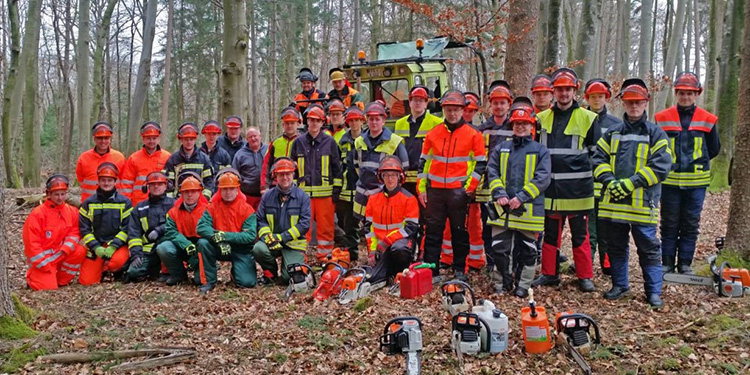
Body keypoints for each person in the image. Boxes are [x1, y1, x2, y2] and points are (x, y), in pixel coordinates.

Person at [593, 78, 672, 308]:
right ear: (623, 104)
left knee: (648, 248)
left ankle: (653, 291)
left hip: (642, 203)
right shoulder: (612, 133)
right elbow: (598, 158)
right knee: (615, 245)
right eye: (629, 102)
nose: (634, 106)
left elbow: (661, 166)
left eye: (638, 102)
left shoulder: (656, 134)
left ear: (646, 102)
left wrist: (631, 183)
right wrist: (609, 180)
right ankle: (620, 284)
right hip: (614, 203)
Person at [532, 68, 599, 292]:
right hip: (550, 188)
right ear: (553, 92)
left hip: (578, 190)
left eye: (567, 89)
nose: (563, 93)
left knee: (580, 235)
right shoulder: (540, 119)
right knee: (550, 234)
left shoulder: (589, 118)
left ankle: (585, 276)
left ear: (575, 91)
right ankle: (549, 274)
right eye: (559, 89)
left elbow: (596, 155)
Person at [655, 71, 720, 275]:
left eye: (689, 93)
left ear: (696, 94)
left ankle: (685, 264)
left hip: (696, 182)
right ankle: (666, 262)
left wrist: (697, 162)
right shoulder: (662, 118)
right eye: (682, 93)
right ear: (676, 93)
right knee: (669, 222)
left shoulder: (708, 119)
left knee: (690, 223)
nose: (685, 97)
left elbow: (714, 148)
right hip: (670, 182)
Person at [418, 90, 486, 281]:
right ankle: (431, 270)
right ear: (444, 110)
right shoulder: (433, 134)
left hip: (459, 192)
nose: (452, 114)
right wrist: (421, 189)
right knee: (432, 233)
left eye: (456, 110)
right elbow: (424, 163)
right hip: (436, 193)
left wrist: (470, 186)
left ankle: (459, 269)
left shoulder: (474, 135)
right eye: (449, 110)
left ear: (463, 110)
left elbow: (480, 163)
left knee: (459, 233)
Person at [487, 97, 551, 297]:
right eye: (517, 123)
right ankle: (502, 283)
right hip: (502, 209)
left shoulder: (540, 150)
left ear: (531, 126)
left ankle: (523, 285)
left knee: (528, 251)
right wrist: (500, 193)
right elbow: (492, 171)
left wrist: (521, 197)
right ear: (512, 125)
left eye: (524, 123)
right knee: (499, 249)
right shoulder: (501, 148)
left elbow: (543, 178)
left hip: (529, 209)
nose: (521, 127)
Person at [290, 104, 343, 262]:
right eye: (311, 120)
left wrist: (336, 191)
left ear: (322, 122)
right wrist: (293, 191)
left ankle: (324, 258)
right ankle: (300, 258)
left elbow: (337, 168)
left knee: (326, 230)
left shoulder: (330, 142)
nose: (313, 123)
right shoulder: (298, 143)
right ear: (307, 122)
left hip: (325, 196)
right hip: (303, 196)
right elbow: (293, 169)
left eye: (317, 121)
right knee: (301, 228)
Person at [195, 169, 258, 293]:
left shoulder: (247, 209)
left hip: (240, 249)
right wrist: (217, 238)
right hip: (218, 247)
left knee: (247, 283)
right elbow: (201, 227)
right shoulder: (212, 206)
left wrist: (225, 236)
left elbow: (250, 236)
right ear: (220, 190)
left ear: (237, 189)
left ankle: (236, 273)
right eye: (225, 189)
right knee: (203, 243)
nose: (228, 192)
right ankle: (209, 281)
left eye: (231, 188)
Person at [584, 79, 623, 275]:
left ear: (606, 98)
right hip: (586, 184)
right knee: (589, 228)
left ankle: (607, 264)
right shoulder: (581, 119)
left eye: (600, 96)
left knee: (607, 227)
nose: (597, 100)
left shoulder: (616, 124)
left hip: (608, 184)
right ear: (587, 99)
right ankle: (586, 263)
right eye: (593, 97)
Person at [253, 158, 312, 284]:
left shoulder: (303, 197)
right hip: (272, 241)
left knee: (288, 279)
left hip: (293, 244)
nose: (285, 177)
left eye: (288, 174)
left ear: (293, 175)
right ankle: (271, 273)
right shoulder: (267, 196)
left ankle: (285, 271)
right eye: (281, 174)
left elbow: (304, 224)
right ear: (276, 176)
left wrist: (282, 237)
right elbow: (260, 219)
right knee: (258, 248)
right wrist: (268, 236)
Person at [23, 174, 86, 290]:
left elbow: (75, 231)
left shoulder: (72, 211)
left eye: (63, 194)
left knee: (79, 251)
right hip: (44, 261)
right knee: (48, 288)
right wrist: (44, 265)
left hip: (61, 253)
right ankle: (35, 278)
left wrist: (66, 248)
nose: (60, 198)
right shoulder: (37, 214)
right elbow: (32, 244)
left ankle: (61, 280)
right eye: (56, 194)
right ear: (49, 194)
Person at [364, 156, 420, 283]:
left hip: (400, 244)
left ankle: (399, 274)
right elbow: (369, 229)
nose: (390, 179)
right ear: (381, 177)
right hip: (380, 247)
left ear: (399, 177)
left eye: (393, 175)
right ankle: (386, 272)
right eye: (387, 175)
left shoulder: (408, 199)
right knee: (372, 278)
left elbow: (410, 228)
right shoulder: (373, 199)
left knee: (399, 250)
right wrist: (372, 251)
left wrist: (387, 241)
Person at [352, 101, 409, 219]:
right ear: (367, 120)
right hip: (363, 194)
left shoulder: (395, 141)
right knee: (364, 229)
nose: (374, 122)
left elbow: (404, 169)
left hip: (384, 193)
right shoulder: (359, 141)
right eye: (371, 119)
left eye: (377, 119)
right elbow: (357, 166)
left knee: (384, 225)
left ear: (383, 121)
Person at [78, 162, 132, 285]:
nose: (106, 183)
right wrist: (96, 247)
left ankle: (114, 269)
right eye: (103, 180)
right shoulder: (88, 203)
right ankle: (102, 269)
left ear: (115, 181)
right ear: (98, 181)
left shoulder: (125, 203)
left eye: (109, 180)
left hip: (117, 245)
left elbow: (127, 228)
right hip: (97, 246)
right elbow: (84, 229)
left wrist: (114, 246)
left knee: (116, 263)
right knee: (87, 281)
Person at [156, 172, 210, 286]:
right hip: (182, 246)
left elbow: (210, 233)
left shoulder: (208, 210)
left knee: (200, 281)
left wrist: (196, 251)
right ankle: (178, 274)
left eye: (193, 191)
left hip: (201, 249)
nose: (190, 195)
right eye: (186, 192)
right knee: (163, 247)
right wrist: (186, 245)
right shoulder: (173, 212)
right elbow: (170, 232)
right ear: (181, 194)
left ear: (199, 192)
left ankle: (201, 271)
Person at [124, 171, 175, 282]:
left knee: (166, 244)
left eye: (159, 184)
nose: (156, 187)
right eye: (152, 184)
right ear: (147, 187)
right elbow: (134, 234)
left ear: (166, 186)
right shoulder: (139, 208)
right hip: (148, 250)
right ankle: (153, 268)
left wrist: (159, 230)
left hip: (169, 248)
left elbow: (177, 225)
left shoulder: (174, 204)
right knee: (133, 272)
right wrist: (136, 254)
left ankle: (170, 271)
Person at [336, 107, 366, 261]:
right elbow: (339, 165)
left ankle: (374, 255)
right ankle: (353, 257)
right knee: (349, 226)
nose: (354, 123)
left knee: (369, 224)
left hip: (367, 189)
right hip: (348, 190)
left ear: (362, 121)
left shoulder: (368, 138)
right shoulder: (343, 141)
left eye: (357, 120)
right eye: (351, 121)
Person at [120, 121, 171, 206]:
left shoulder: (167, 157)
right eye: (148, 138)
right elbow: (126, 185)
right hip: (138, 204)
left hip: (161, 204)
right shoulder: (134, 158)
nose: (151, 141)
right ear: (143, 138)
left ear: (159, 138)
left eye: (154, 138)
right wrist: (127, 205)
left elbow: (170, 183)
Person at [162, 122, 214, 199]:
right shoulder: (173, 159)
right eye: (186, 139)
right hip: (179, 200)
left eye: (191, 139)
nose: (189, 142)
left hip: (199, 200)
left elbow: (209, 181)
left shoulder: (204, 159)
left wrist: (204, 197)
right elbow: (168, 183)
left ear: (195, 139)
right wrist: (171, 201)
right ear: (181, 139)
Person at [76, 121, 125, 201]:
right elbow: (80, 180)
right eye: (100, 138)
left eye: (106, 138)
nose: (103, 141)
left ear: (110, 139)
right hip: (89, 203)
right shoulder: (84, 158)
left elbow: (123, 181)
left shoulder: (119, 157)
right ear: (94, 138)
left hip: (113, 203)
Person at [261, 107, 301, 193]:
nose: (289, 126)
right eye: (287, 123)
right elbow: (266, 164)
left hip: (296, 185)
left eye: (292, 123)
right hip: (276, 184)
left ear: (297, 124)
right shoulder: (275, 142)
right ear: (283, 125)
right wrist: (264, 186)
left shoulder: (303, 142)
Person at [232, 127, 268, 210]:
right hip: (247, 196)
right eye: (250, 137)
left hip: (266, 195)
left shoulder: (268, 150)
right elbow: (235, 175)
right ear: (246, 139)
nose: (253, 138)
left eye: (255, 136)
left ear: (260, 136)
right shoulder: (240, 154)